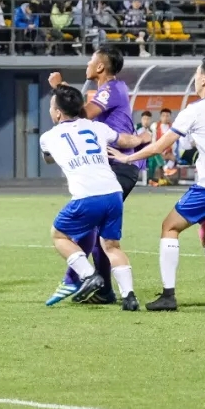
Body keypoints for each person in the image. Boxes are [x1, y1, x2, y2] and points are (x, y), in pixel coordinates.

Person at [110, 56, 205, 311]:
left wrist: (127, 157)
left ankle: (168, 295)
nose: (195, 78)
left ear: (203, 79)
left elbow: (159, 146)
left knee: (169, 227)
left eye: (197, 73)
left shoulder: (194, 110)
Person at [45, 45, 144, 306]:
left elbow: (79, 113)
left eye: (91, 59)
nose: (88, 64)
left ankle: (78, 279)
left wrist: (59, 88)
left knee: (92, 227)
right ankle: (106, 290)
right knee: (103, 234)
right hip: (114, 165)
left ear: (100, 66)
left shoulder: (111, 88)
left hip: (119, 164)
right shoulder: (107, 90)